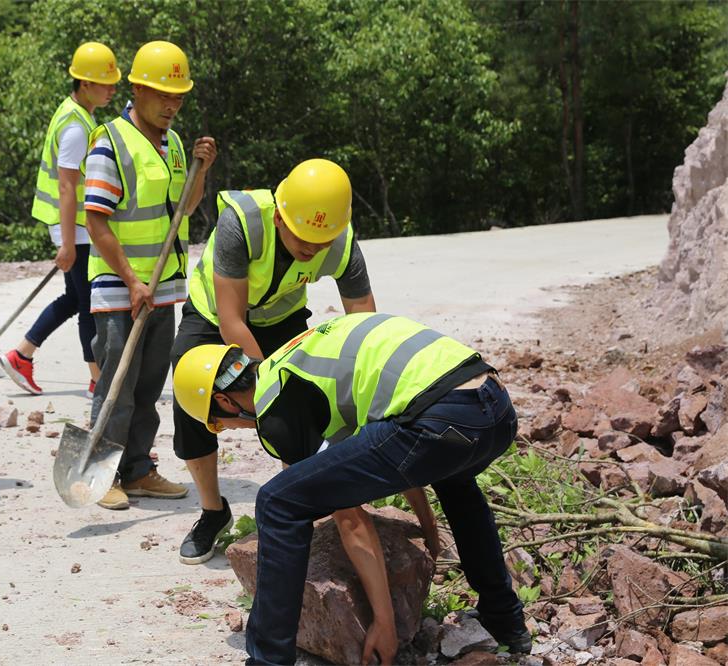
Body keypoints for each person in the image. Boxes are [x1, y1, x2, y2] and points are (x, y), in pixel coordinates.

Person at [174, 313, 532, 664]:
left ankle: (268, 659)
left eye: (222, 424)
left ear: (224, 401)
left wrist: (384, 622)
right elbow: (398, 453)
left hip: (440, 421)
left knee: (277, 502)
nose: (234, 429)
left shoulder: (277, 403)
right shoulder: (300, 358)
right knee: (455, 478)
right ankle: (505, 620)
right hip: (493, 408)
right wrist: (429, 530)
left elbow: (350, 517)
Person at [171, 158, 378, 564]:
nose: (313, 250)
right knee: (194, 397)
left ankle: (296, 501)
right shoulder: (242, 223)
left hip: (280, 316)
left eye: (322, 242)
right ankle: (213, 512)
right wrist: (266, 389)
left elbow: (365, 324)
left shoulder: (338, 236)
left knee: (299, 408)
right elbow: (232, 322)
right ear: (281, 215)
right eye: (303, 239)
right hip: (216, 317)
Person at [82, 40, 217, 510]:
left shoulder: (175, 144)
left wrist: (201, 169)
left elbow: (185, 208)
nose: (171, 105)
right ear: (137, 90)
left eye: (178, 97)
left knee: (147, 385)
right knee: (117, 386)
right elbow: (95, 220)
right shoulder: (110, 142)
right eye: (163, 95)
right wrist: (133, 280)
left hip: (162, 288)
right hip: (122, 288)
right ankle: (100, 475)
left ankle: (137, 468)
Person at [0, 42, 119, 396]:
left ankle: (22, 354)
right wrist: (67, 243)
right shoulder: (76, 127)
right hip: (76, 229)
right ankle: (98, 378)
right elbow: (68, 187)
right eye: (105, 83)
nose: (112, 89)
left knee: (75, 297)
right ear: (84, 83)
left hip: (75, 226)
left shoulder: (77, 113)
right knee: (88, 305)